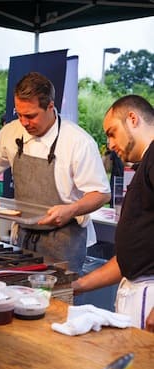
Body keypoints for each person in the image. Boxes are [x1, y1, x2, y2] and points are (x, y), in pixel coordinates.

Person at [0, 72, 111, 273]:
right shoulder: (13, 131)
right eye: (19, 114)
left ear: (50, 107)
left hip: (64, 241)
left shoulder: (78, 142)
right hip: (23, 234)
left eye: (30, 116)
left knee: (57, 300)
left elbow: (100, 193)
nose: (24, 122)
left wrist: (71, 210)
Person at [72, 95, 154, 331]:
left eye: (111, 132)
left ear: (132, 119)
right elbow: (131, 258)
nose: (109, 144)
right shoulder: (144, 165)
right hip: (135, 293)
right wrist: (77, 285)